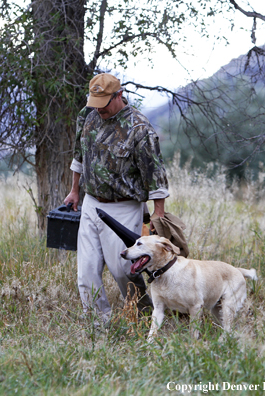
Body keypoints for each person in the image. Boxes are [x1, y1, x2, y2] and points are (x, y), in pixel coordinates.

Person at [64, 73, 169, 324]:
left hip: (124, 206)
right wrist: (75, 190)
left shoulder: (139, 128)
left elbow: (155, 174)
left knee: (124, 269)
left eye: (104, 102)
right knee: (86, 271)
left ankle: (144, 318)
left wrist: (158, 213)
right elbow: (80, 154)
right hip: (91, 202)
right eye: (95, 101)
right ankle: (98, 323)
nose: (99, 109)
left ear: (118, 95)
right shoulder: (87, 115)